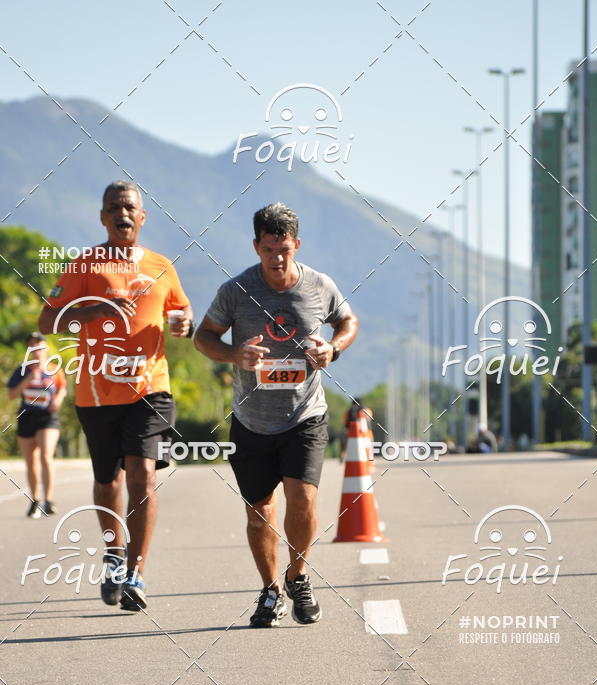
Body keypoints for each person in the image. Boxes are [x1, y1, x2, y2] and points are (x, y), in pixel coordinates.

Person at [194, 202, 358, 628]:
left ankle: (298, 576)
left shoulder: (319, 286)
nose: (277, 258)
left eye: (284, 249)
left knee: (302, 499)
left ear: (296, 245)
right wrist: (234, 354)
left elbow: (348, 321)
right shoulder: (236, 291)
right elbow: (202, 337)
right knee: (259, 511)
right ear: (255, 247)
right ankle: (270, 591)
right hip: (251, 422)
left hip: (305, 416)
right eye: (268, 250)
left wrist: (332, 348)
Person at [38, 181, 194, 610]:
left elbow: (182, 310)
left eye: (130, 207)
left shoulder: (162, 265)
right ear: (102, 217)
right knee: (108, 481)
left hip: (150, 389)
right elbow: (48, 321)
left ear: (143, 217)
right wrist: (94, 311)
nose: (123, 214)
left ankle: (136, 574)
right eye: (114, 208)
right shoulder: (83, 264)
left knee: (142, 474)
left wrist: (184, 324)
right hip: (97, 394)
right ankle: (113, 553)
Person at [7, 332, 67, 517]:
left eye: (39, 345)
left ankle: (48, 500)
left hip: (48, 417)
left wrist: (58, 399)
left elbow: (63, 387)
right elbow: (12, 394)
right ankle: (36, 500)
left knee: (45, 455)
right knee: (31, 462)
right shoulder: (22, 370)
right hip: (27, 417)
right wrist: (27, 380)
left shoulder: (54, 369)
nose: (36, 349)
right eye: (32, 346)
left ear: (45, 347)